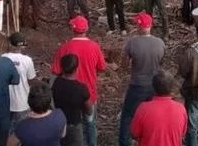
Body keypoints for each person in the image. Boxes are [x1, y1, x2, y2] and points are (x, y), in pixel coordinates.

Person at [51, 16, 106, 146]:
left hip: (68, 96)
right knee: (90, 123)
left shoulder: (65, 48)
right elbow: (102, 68)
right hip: (90, 93)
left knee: (70, 126)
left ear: (72, 29)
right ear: (86, 29)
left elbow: (56, 70)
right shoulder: (94, 46)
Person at [118, 13, 165, 146]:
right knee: (152, 116)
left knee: (128, 116)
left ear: (139, 26)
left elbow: (124, 64)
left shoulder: (132, 43)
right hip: (155, 86)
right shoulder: (160, 43)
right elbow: (162, 61)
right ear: (150, 26)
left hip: (137, 85)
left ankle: (125, 142)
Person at [130, 71, 187, 146]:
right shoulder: (181, 109)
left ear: (153, 87)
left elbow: (134, 134)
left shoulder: (143, 108)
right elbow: (182, 133)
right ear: (171, 88)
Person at [52, 54, 93, 146]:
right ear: (76, 68)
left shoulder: (56, 82)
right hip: (74, 125)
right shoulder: (81, 88)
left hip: (58, 123)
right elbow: (89, 111)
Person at [3, 33, 37, 132]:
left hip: (6, 102)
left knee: (6, 132)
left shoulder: (3, 58)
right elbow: (31, 80)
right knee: (22, 133)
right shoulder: (27, 60)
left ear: (10, 44)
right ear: (22, 46)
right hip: (22, 102)